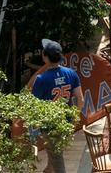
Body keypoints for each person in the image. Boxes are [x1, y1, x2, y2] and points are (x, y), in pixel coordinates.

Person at [29, 39, 84, 173]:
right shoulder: (71, 73)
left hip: (49, 124)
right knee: (54, 151)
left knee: (57, 158)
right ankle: (49, 169)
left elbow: (33, 103)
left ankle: (53, 169)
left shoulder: (41, 79)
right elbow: (80, 99)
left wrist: (34, 121)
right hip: (66, 121)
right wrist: (74, 118)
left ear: (45, 56)